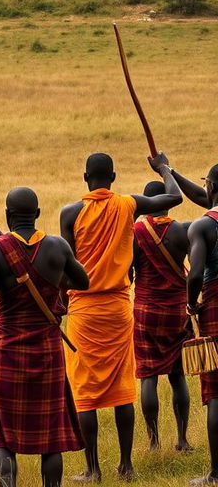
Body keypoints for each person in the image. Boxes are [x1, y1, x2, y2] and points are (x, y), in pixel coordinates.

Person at [60, 152, 182, 481]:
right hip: (117, 306)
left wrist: (59, 303)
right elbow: (174, 197)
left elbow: (68, 269)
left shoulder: (70, 213)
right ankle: (126, 465)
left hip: (83, 310)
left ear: (86, 177)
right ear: (113, 177)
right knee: (122, 388)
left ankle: (93, 469)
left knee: (85, 391)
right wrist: (163, 169)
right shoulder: (127, 205)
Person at [0, 187, 89, 487]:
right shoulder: (58, 247)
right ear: (37, 214)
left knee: (2, 434)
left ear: (8, 215)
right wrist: (53, 279)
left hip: (7, 351)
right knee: (51, 438)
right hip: (48, 352)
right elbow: (83, 281)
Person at [133, 180, 191, 452]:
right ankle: (182, 439)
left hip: (146, 309)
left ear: (146, 204)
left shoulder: (136, 232)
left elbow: (128, 273)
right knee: (178, 374)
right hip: (177, 310)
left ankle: (154, 442)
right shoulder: (180, 230)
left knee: (149, 376)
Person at [185, 162, 218, 484]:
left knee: (216, 393)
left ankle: (215, 473)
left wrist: (190, 305)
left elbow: (195, 274)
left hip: (215, 312)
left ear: (211, 188)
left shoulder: (203, 226)